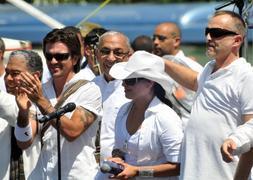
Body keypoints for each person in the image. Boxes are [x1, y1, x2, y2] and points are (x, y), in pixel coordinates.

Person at [162, 10, 253, 180]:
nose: (209, 38)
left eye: (217, 33)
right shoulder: (210, 69)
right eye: (207, 32)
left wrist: (236, 141)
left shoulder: (246, 76)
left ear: (237, 40)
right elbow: (194, 81)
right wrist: (161, 63)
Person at [14, 28, 102, 179]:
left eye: (60, 56)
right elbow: (24, 142)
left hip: (77, 175)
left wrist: (41, 101)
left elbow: (72, 132)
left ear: (74, 59)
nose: (53, 61)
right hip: (43, 174)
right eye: (49, 56)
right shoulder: (41, 90)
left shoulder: (90, 90)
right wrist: (22, 113)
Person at [105, 51, 183, 180]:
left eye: (130, 80)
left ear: (150, 83)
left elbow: (177, 166)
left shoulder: (165, 117)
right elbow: (119, 148)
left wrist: (138, 172)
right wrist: (117, 158)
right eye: (124, 79)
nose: (123, 84)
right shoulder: (123, 110)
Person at [93, 31, 132, 174]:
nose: (111, 58)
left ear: (129, 56)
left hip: (124, 170)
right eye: (105, 51)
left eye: (118, 52)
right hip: (90, 170)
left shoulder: (137, 88)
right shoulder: (88, 87)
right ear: (97, 54)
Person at [1, 50, 43, 179]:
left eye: (15, 74)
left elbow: (15, 110)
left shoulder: (45, 106)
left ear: (35, 76)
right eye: (7, 72)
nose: (8, 79)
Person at [153, 22, 203, 129]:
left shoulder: (191, 66)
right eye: (154, 38)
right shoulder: (157, 63)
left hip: (189, 128)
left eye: (161, 38)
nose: (155, 42)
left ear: (176, 41)